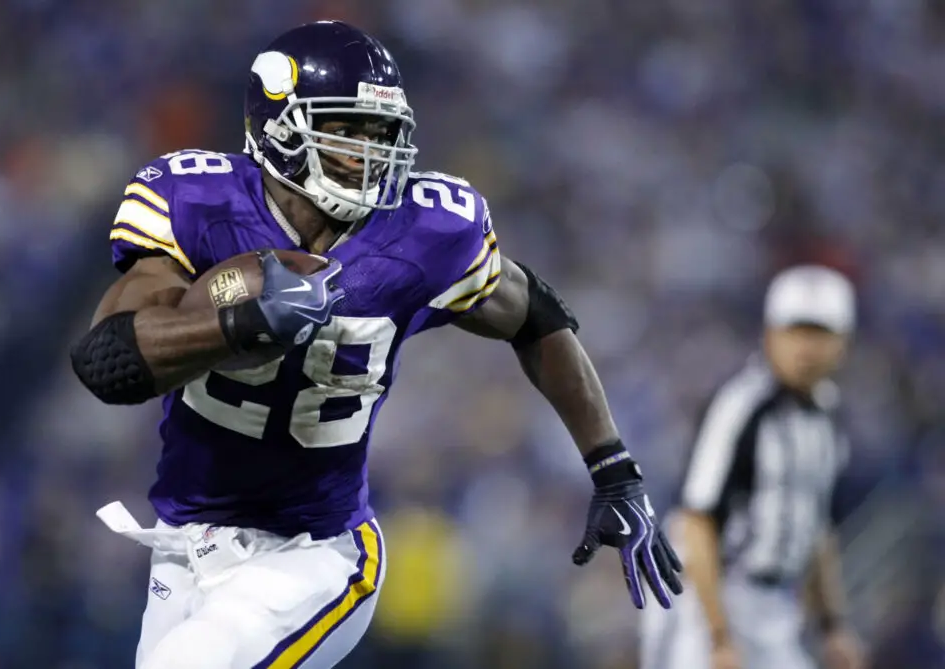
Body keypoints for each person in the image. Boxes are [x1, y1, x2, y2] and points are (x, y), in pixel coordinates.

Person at [70, 20, 682, 669]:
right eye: (347, 131)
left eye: (380, 132)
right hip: (183, 543)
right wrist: (235, 325)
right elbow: (106, 360)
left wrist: (613, 467)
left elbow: (537, 316)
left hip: (315, 552)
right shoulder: (196, 200)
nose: (370, 152)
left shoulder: (428, 230)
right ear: (277, 127)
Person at [640, 265, 867, 669]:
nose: (807, 347)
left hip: (774, 607)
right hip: (706, 598)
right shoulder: (742, 407)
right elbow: (697, 523)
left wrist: (833, 625)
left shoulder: (828, 417)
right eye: (796, 331)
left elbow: (815, 528)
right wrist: (719, 636)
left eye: (820, 333)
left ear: (843, 343)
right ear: (770, 335)